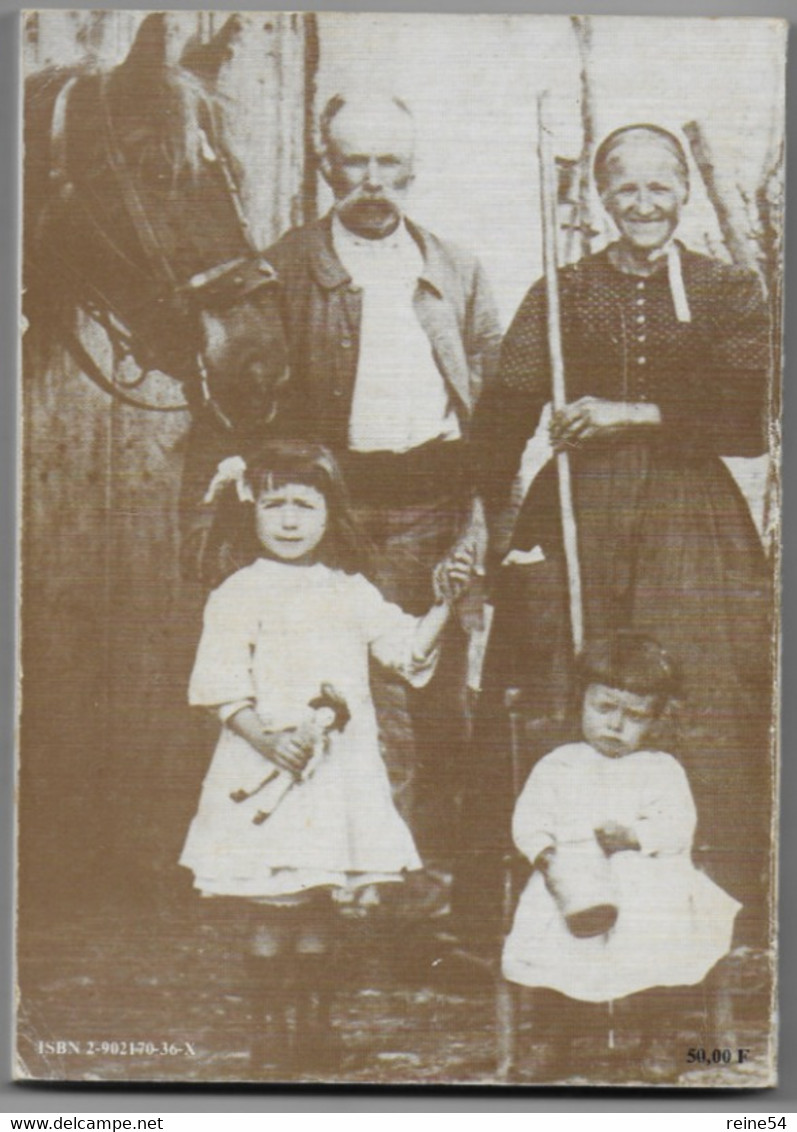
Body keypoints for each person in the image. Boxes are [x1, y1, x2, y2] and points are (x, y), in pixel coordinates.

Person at [183, 91, 502, 915]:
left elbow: (494, 400)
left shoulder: (456, 269)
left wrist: (481, 514)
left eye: (388, 163)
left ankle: (422, 887)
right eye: (353, 163)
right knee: (355, 696)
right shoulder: (284, 268)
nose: (372, 181)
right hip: (343, 510)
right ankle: (345, 885)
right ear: (327, 170)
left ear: (412, 170)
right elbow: (242, 393)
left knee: (437, 695)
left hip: (436, 499)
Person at [469, 123, 773, 940]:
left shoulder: (726, 290)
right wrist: (483, 517)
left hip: (686, 515)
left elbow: (750, 420)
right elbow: (504, 411)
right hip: (580, 510)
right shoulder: (561, 290)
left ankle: (707, 900)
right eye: (624, 189)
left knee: (699, 684)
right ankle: (558, 900)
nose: (642, 204)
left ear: (682, 192)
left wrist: (631, 413)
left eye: (658, 187)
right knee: (558, 674)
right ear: (601, 199)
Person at [179, 440, 476, 1074]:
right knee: (269, 907)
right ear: (251, 512)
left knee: (316, 905)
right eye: (275, 504)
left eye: (305, 506)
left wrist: (446, 602)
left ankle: (313, 1032)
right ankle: (268, 1037)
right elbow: (220, 683)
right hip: (264, 770)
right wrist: (266, 738)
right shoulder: (237, 592)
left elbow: (404, 651)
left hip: (333, 776)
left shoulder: (350, 590)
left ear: (329, 513)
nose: (289, 521)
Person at [502, 633, 741, 1084]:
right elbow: (528, 821)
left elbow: (677, 826)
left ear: (655, 720)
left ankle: (658, 1031)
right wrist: (546, 856)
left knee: (657, 923)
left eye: (634, 716)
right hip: (571, 879)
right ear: (581, 702)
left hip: (645, 879)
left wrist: (635, 836)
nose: (615, 726)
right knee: (557, 928)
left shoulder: (660, 768)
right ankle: (554, 1034)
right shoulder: (559, 764)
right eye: (604, 708)